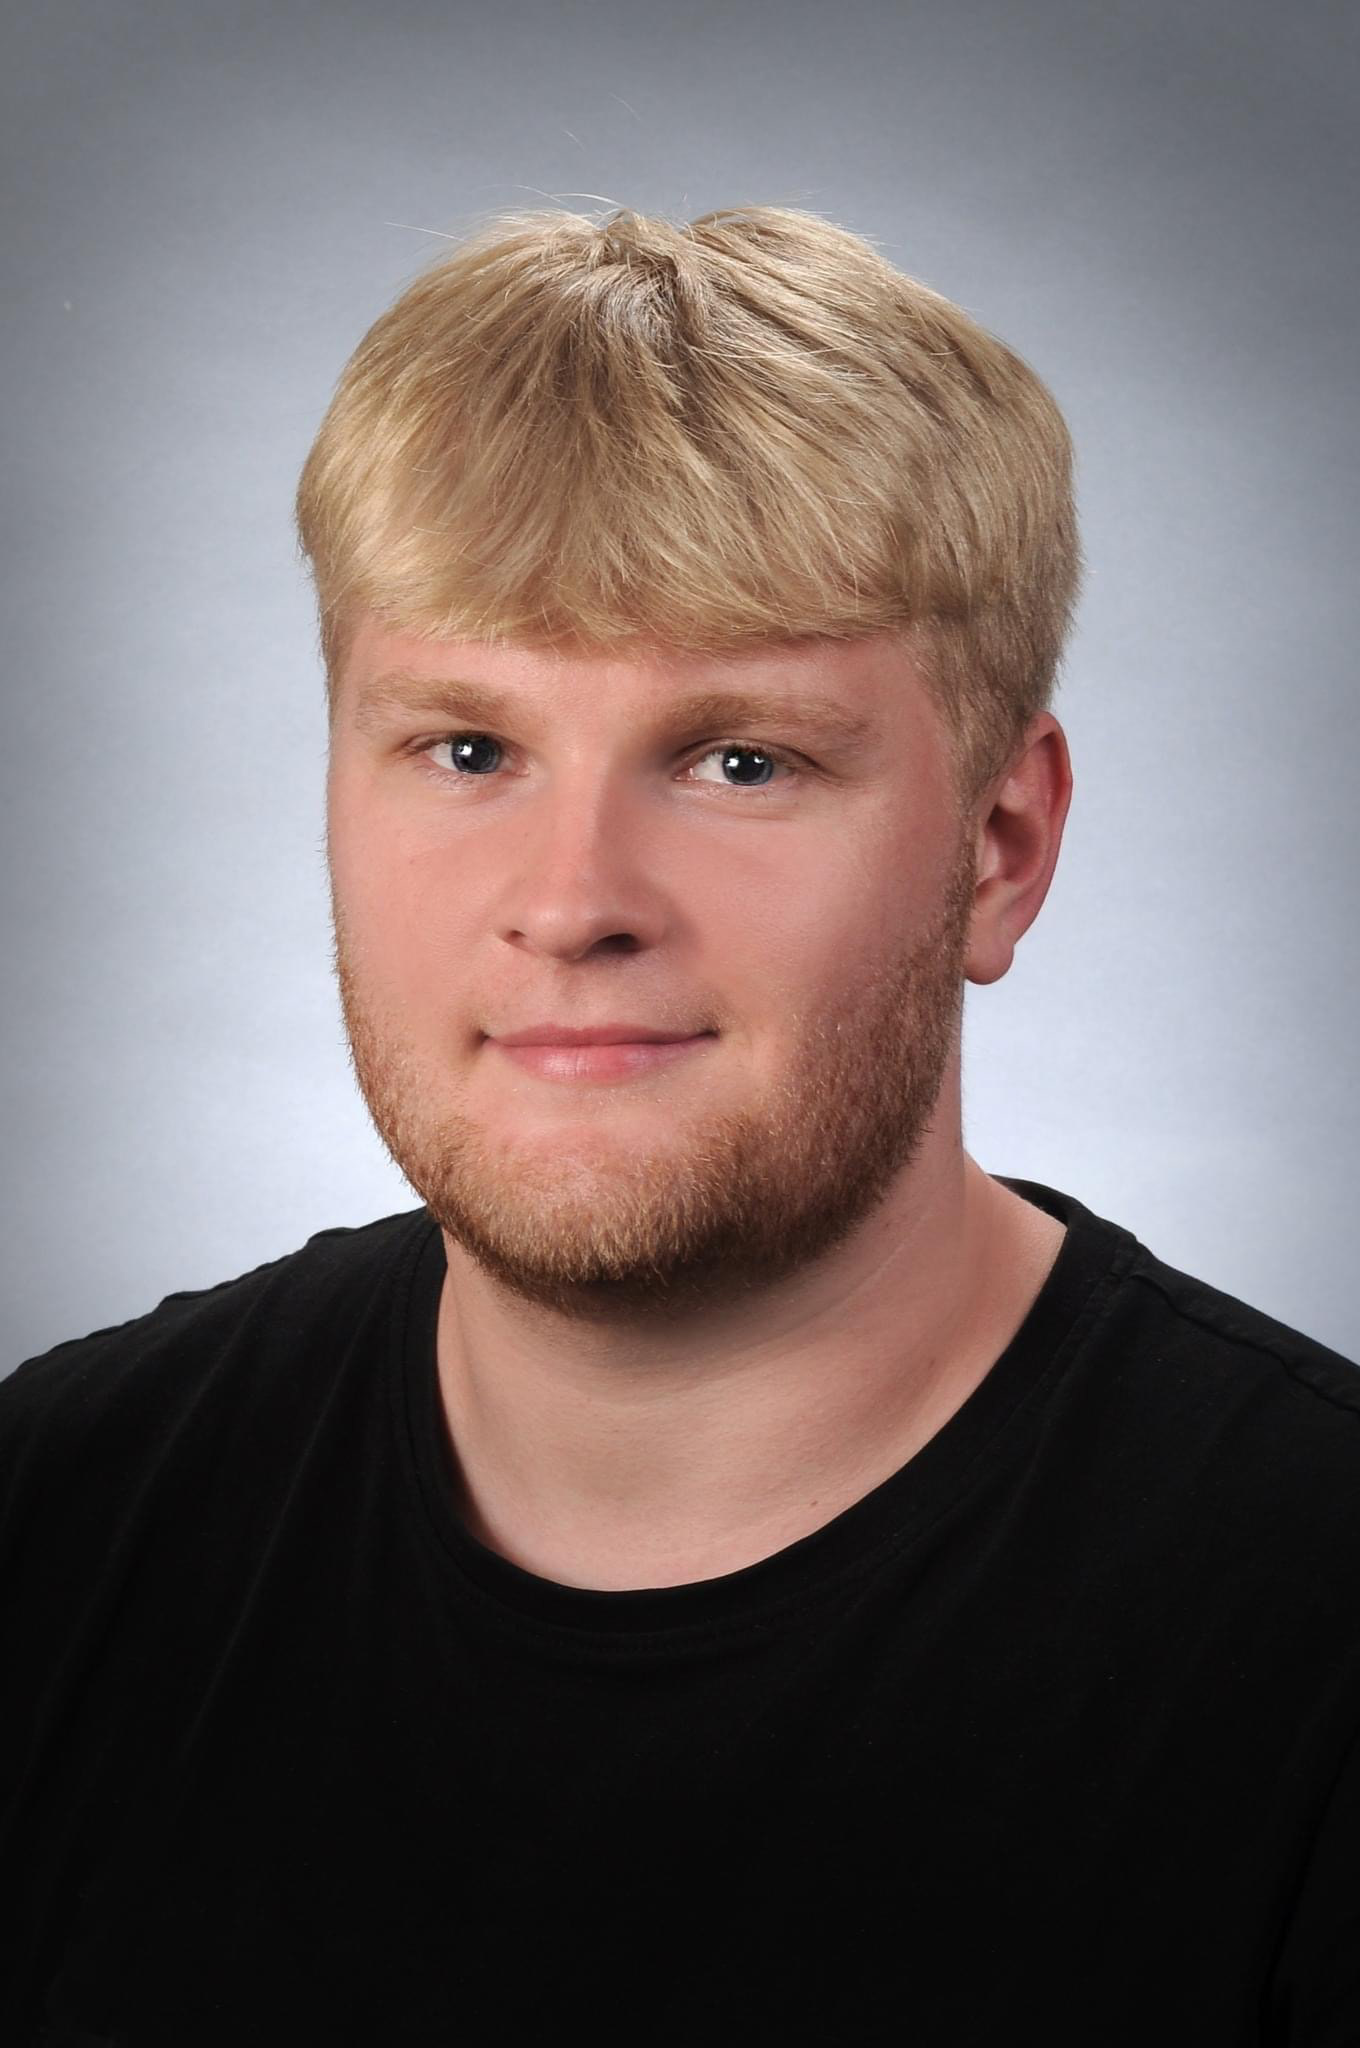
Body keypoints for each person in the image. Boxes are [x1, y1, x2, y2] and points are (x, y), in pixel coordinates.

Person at [3, 205, 1356, 2048]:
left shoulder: (1314, 1633)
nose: (572, 903)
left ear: (999, 847)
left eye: (741, 760)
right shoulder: (52, 1528)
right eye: (468, 749)